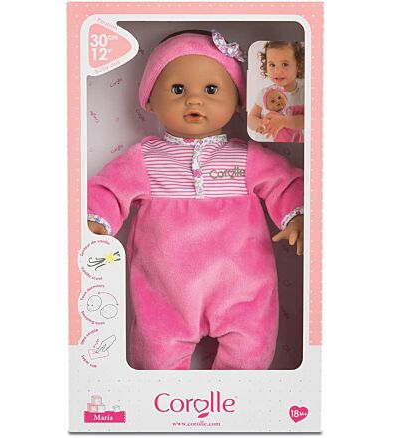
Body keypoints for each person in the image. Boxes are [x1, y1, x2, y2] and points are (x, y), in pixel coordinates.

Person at [87, 30, 304, 370]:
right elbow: (108, 190)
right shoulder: (145, 159)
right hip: (166, 290)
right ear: (149, 100)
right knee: (155, 356)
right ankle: (160, 400)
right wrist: (93, 223)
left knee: (251, 350)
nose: (194, 100)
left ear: (237, 101)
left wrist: (298, 216)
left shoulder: (246, 158)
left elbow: (285, 182)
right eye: (178, 90)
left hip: (243, 285)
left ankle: (237, 401)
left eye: (211, 90)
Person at [248, 41, 305, 142]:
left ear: (298, 65)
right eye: (272, 65)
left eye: (284, 64)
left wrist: (283, 121)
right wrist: (261, 124)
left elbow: (308, 121)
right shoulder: (265, 93)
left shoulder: (303, 93)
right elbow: (251, 118)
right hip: (265, 145)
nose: (277, 71)